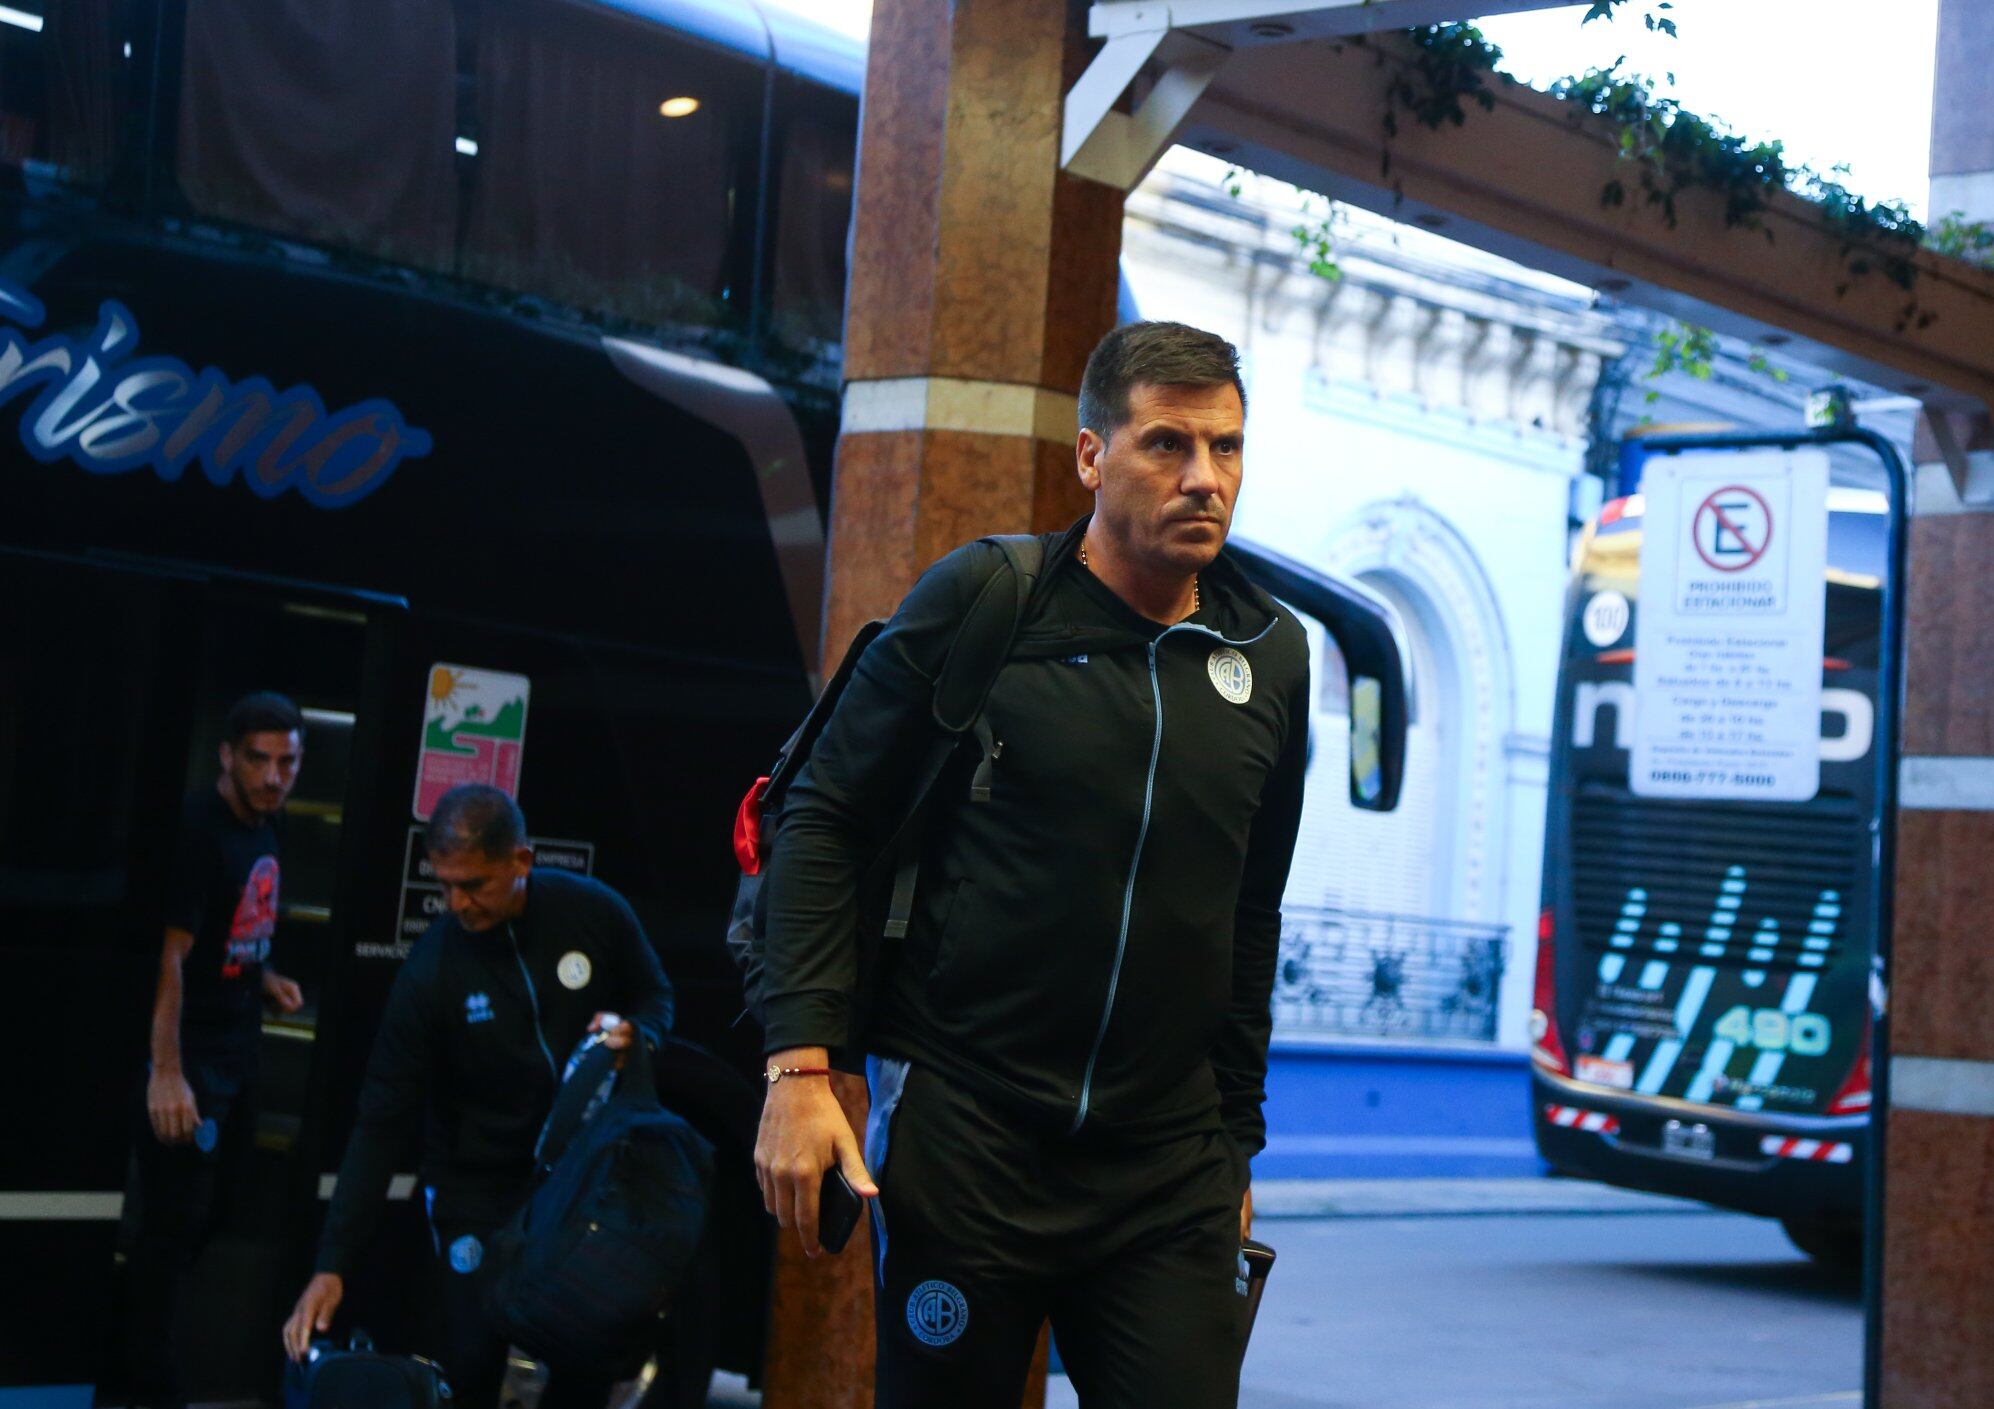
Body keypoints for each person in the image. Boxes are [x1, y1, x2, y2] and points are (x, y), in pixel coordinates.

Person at [753, 320, 1309, 1408]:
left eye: (1227, 447)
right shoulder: (988, 600)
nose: (1205, 478)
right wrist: (801, 1066)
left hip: (1168, 1168)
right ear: (1092, 455)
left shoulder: (1270, 653)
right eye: (1167, 445)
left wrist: (1233, 1144)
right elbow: (822, 816)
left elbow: (1251, 914)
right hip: (976, 1145)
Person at [281, 784, 676, 1408]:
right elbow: (380, 1124)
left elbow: (655, 995)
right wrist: (332, 1264)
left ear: (520, 862)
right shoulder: (431, 970)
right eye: (445, 886)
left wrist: (640, 1034)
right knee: (470, 1356)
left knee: (585, 1356)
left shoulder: (593, 911)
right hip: (475, 1189)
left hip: (577, 1182)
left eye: (475, 885)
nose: (457, 903)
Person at [123, 691, 307, 1409]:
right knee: (171, 1227)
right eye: (258, 759)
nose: (273, 775)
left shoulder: (269, 822)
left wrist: (262, 975)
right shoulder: (198, 828)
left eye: (287, 761)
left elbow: (227, 932)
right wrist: (165, 1073)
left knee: (226, 1203)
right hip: (191, 1054)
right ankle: (144, 1382)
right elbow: (168, 958)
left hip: (240, 1042)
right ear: (227, 755)